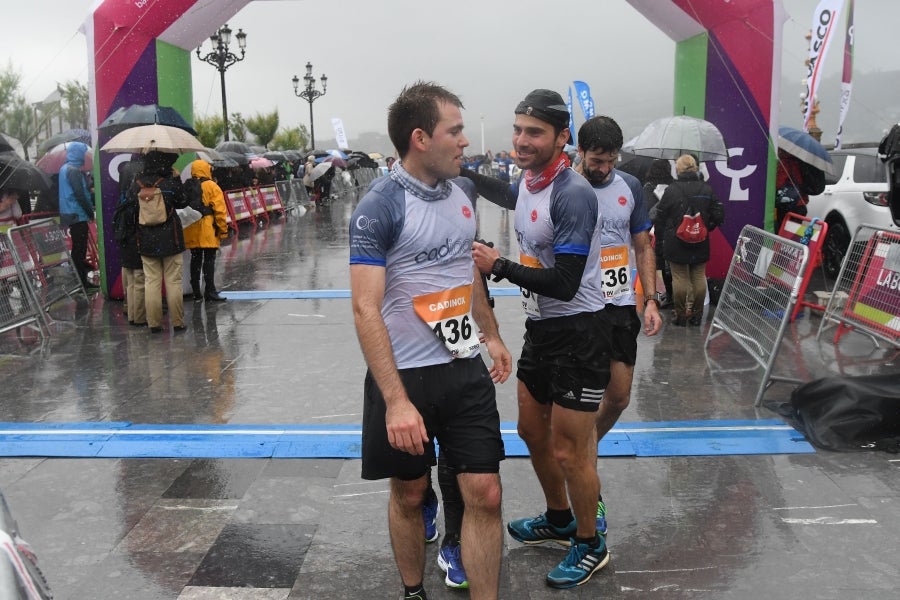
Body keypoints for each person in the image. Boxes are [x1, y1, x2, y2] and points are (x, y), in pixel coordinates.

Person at [349, 81, 511, 600]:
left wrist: (491, 334)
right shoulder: (379, 207)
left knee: (486, 493)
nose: (465, 142)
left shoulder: (462, 192)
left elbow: (467, 269)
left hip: (463, 367)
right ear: (420, 138)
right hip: (404, 377)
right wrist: (396, 402)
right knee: (411, 492)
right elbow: (364, 307)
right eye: (454, 131)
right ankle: (414, 591)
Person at [471, 88, 611, 589]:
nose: (521, 140)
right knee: (532, 432)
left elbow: (567, 282)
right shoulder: (530, 180)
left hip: (580, 331)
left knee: (571, 451)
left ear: (561, 137)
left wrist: (500, 266)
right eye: (517, 129)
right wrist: (459, 172)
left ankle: (590, 543)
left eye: (534, 132)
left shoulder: (573, 193)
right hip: (542, 329)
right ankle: (559, 518)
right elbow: (507, 195)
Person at [575, 115, 663, 540]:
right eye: (597, 161)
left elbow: (642, 244)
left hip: (620, 305)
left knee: (620, 397)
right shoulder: (564, 187)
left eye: (611, 161)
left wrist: (651, 299)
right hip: (578, 310)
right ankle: (590, 491)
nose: (604, 168)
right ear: (580, 152)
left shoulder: (629, 186)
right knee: (584, 404)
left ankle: (580, 449)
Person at [653, 154, 725, 326]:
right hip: (700, 239)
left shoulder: (672, 190)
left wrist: (662, 238)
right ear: (695, 168)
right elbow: (719, 213)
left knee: (679, 278)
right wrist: (707, 226)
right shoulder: (706, 189)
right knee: (698, 277)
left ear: (677, 170)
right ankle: (696, 314)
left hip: (676, 241)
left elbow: (660, 216)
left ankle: (680, 313)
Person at [135, 151, 189, 333]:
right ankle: (177, 322)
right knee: (173, 281)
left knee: (151, 281)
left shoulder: (137, 183)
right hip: (170, 238)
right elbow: (182, 201)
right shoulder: (169, 183)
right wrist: (177, 179)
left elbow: (131, 206)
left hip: (146, 238)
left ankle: (153, 323)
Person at [184, 159, 228, 303]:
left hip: (192, 227)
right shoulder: (212, 186)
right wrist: (223, 230)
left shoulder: (188, 186)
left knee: (195, 259)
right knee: (209, 260)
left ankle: (196, 291)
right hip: (208, 229)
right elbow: (220, 211)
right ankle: (210, 290)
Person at [58, 142, 98, 291]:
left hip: (69, 212)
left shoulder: (64, 168)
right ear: (78, 154)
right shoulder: (74, 171)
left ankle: (79, 280)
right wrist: (89, 212)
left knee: (77, 248)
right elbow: (80, 194)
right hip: (77, 213)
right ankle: (82, 282)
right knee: (79, 249)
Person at [116, 158, 146, 327]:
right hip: (136, 225)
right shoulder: (145, 168)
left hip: (124, 223)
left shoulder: (125, 168)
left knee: (127, 269)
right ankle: (139, 314)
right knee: (139, 274)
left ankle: (128, 306)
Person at [643, 159, 675, 307]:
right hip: (674, 230)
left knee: (657, 265)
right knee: (672, 266)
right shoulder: (674, 186)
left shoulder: (649, 187)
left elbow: (647, 210)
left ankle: (657, 296)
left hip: (658, 230)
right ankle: (672, 295)